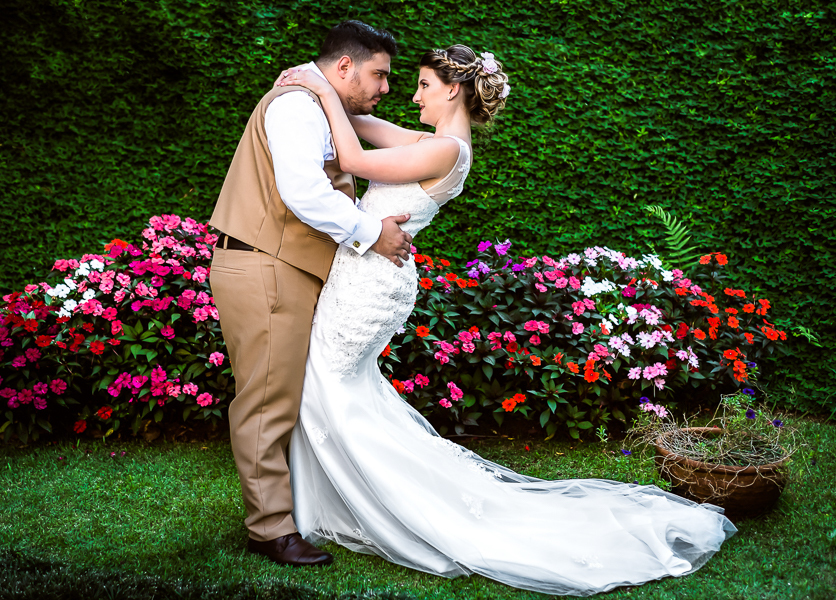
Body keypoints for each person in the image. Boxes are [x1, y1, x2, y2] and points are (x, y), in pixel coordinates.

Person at [278, 45, 737, 596]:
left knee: (329, 387)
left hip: (369, 285)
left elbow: (352, 160)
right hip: (367, 277)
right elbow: (363, 124)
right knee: (337, 390)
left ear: (452, 89)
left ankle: (372, 509)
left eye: (423, 85)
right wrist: (323, 89)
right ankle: (334, 503)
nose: (413, 95)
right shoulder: (431, 142)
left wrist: (316, 84)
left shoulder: (445, 150)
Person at [207, 20, 413, 567]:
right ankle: (270, 529)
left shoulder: (320, 104)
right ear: (345, 66)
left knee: (286, 397)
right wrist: (372, 234)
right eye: (379, 74)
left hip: (282, 265)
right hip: (265, 265)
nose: (386, 87)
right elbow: (303, 191)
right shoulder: (296, 107)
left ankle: (291, 511)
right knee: (267, 401)